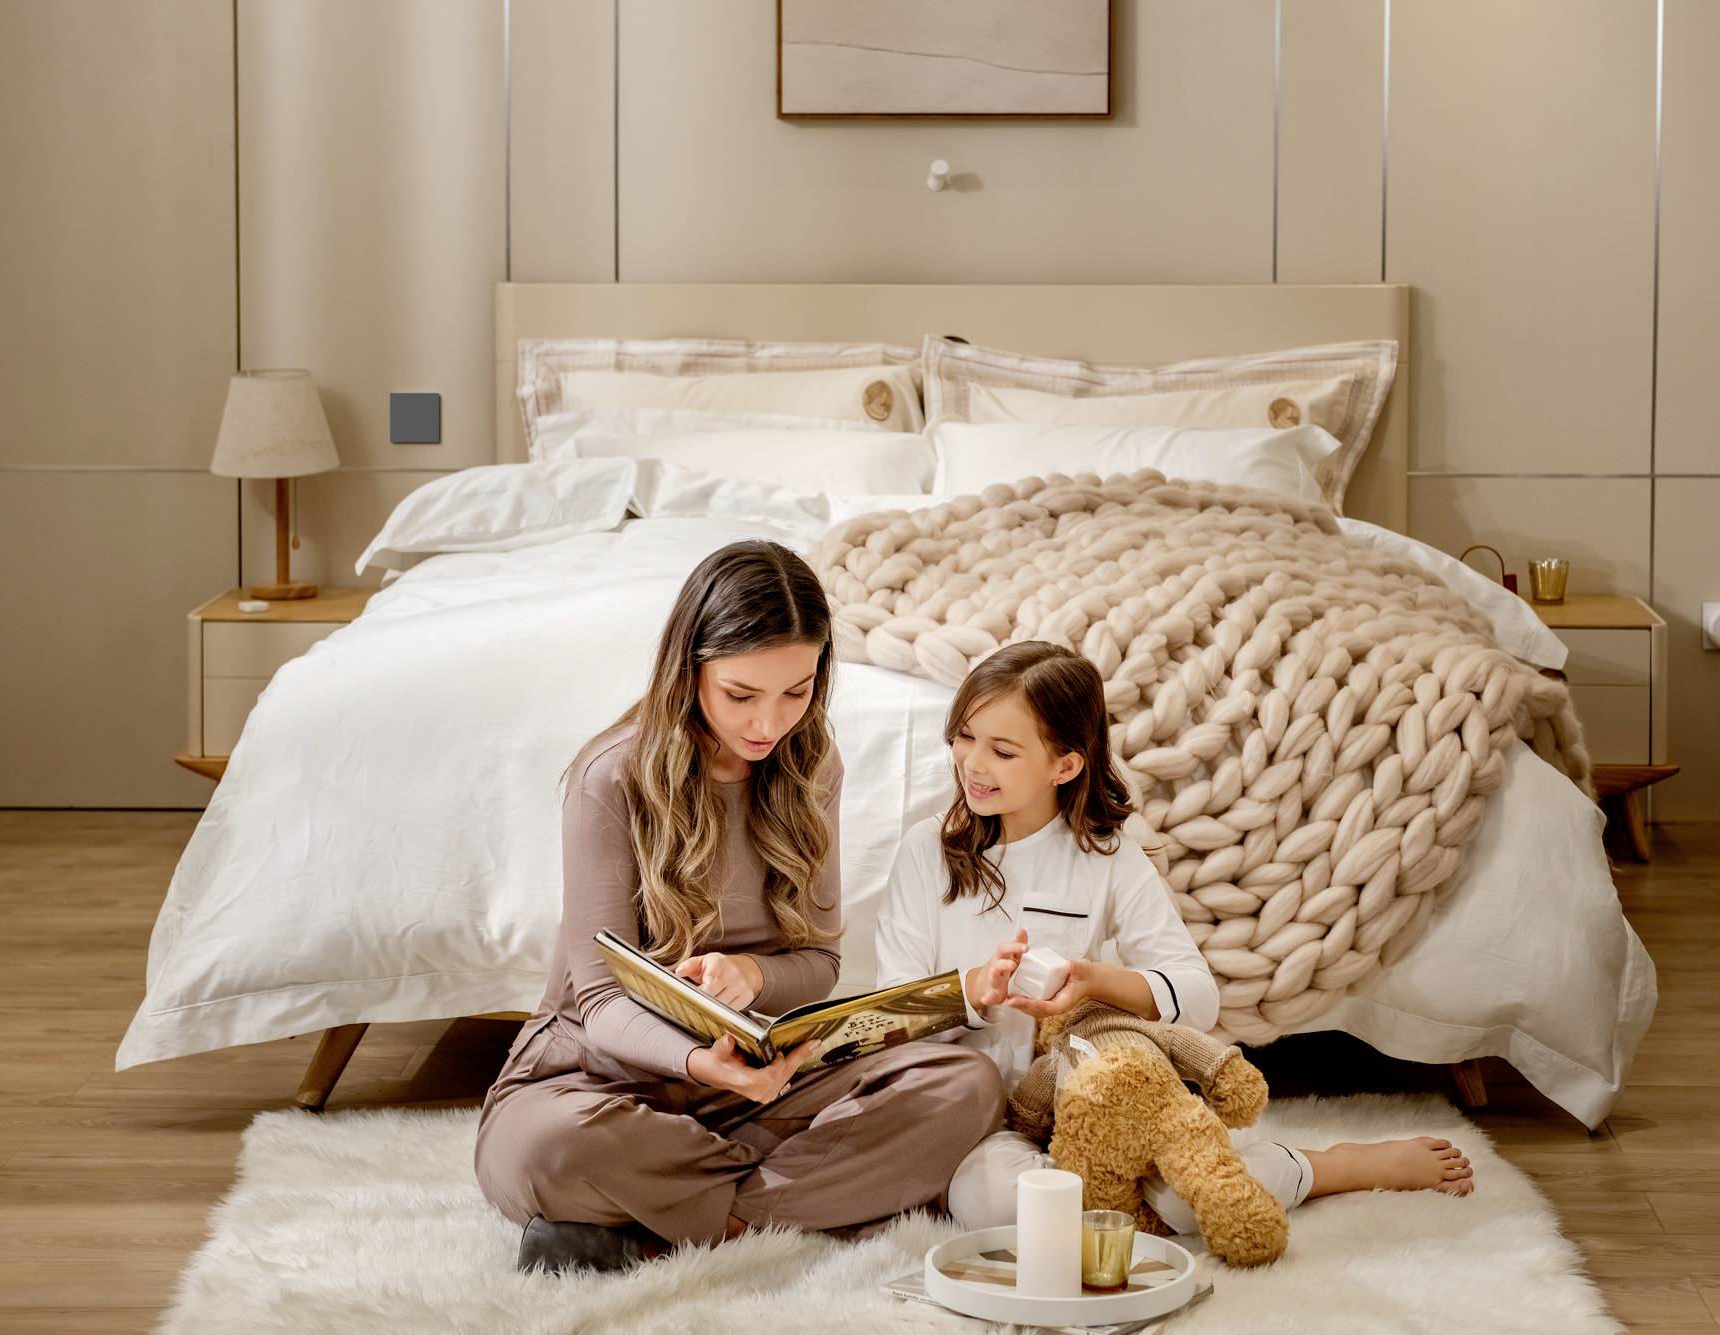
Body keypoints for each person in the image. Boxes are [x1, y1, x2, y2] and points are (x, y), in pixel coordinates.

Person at [475, 539, 1004, 1275]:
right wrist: (700, 1062)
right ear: (688, 668)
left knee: (966, 1084)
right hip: (598, 1077)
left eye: (797, 691)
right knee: (549, 1149)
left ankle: (663, 1221)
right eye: (741, 694)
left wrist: (752, 980)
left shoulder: (812, 764)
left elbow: (817, 964)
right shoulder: (609, 778)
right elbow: (598, 999)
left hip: (758, 1075)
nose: (769, 723)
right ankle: (778, 1199)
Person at [873, 640, 1476, 1236]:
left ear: (1066, 765)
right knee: (993, 1206)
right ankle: (1114, 1190)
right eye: (964, 737)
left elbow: (1197, 992)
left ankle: (1327, 1166)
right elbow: (886, 1014)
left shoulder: (1106, 856)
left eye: (1003, 751)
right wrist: (974, 993)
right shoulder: (926, 852)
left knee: (1189, 1204)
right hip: (986, 1121)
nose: (973, 764)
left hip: (1097, 1097)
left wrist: (1095, 981)